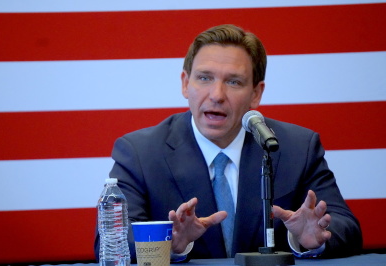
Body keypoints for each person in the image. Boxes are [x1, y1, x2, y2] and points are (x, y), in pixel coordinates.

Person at [94, 24, 362, 262]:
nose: (217, 95)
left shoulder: (296, 147)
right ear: (186, 84)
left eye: (234, 82)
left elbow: (345, 226)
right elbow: (109, 242)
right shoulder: (140, 152)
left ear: (255, 94)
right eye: (204, 78)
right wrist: (168, 245)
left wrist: (307, 239)